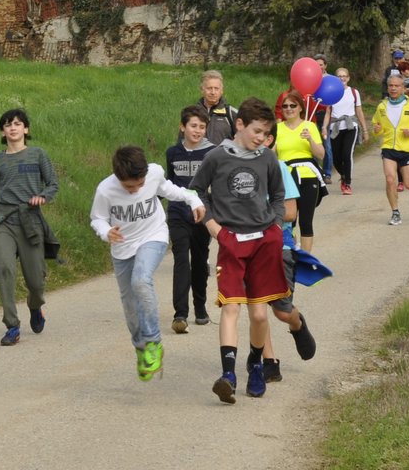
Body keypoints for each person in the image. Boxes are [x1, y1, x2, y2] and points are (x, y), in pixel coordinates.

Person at [189, 97, 289, 404]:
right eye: (257, 131)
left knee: (259, 314)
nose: (261, 138)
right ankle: (228, 375)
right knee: (231, 307)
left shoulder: (267, 158)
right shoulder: (217, 157)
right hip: (231, 240)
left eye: (266, 133)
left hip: (263, 242)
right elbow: (196, 191)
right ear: (241, 125)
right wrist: (213, 226)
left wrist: (274, 226)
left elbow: (278, 195)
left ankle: (256, 365)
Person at [89, 144, 204, 380]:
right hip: (122, 247)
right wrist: (106, 231)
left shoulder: (153, 173)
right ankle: (142, 349)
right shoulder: (105, 190)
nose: (136, 189)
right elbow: (97, 218)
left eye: (140, 184)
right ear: (118, 178)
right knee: (130, 308)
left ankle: (153, 343)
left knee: (141, 280)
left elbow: (170, 190)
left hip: (153, 236)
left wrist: (194, 201)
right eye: (130, 186)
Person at [0, 108, 59, 346]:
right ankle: (12, 326)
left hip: (30, 221)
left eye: (17, 123)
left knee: (36, 282)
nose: (13, 128)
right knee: (3, 268)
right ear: (2, 131)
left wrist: (43, 197)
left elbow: (53, 184)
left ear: (26, 129)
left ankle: (36, 307)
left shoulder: (37, 155)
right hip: (3, 222)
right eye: (8, 125)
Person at [263, 161, 320, 384]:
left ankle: (297, 324)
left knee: (282, 312)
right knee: (257, 306)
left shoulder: (278, 168)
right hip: (248, 246)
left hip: (280, 245)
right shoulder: (237, 167)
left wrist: (254, 214)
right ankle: (270, 363)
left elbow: (290, 212)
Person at [164, 105, 216, 331]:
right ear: (182, 127)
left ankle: (200, 307)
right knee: (181, 261)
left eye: (202, 127)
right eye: (193, 126)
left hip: (203, 216)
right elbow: (167, 185)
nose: (197, 131)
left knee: (199, 262)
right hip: (177, 214)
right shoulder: (172, 153)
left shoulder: (213, 153)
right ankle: (180, 315)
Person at [371, 71, 409, 226]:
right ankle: (395, 212)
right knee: (390, 180)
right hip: (389, 147)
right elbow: (377, 125)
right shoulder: (382, 107)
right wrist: (377, 130)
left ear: (403, 88)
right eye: (390, 86)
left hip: (407, 148)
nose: (393, 88)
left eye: (397, 86)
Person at [274, 89, 325, 253]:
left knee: (305, 220)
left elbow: (321, 154)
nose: (289, 109)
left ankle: (306, 259)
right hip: (286, 178)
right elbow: (272, 154)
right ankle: (290, 253)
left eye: (293, 105)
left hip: (308, 176)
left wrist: (310, 139)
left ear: (300, 108)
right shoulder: (277, 128)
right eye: (285, 106)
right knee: (289, 219)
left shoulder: (309, 126)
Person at [326, 67, 364, 195]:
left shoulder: (354, 92)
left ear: (348, 78)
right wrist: (323, 128)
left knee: (347, 154)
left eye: (344, 76)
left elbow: (359, 111)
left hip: (350, 126)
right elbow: (328, 112)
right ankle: (342, 174)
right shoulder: (331, 92)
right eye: (339, 76)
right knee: (336, 157)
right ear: (335, 78)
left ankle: (347, 183)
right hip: (335, 127)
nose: (342, 78)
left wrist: (365, 129)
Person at [310, 55, 335, 183]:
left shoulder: (330, 80)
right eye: (316, 65)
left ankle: (327, 173)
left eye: (321, 64)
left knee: (327, 145)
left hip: (325, 115)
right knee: (312, 144)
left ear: (325, 66)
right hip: (312, 115)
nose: (318, 67)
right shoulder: (310, 78)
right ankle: (315, 171)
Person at [196, 70, 239, 145]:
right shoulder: (192, 113)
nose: (213, 92)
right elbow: (182, 142)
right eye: (209, 88)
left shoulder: (231, 114)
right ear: (202, 90)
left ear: (222, 90)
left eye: (216, 88)